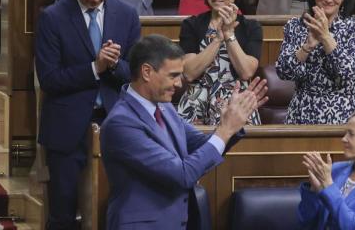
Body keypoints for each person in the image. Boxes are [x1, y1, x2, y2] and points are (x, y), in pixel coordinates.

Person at [101, 34, 267, 229]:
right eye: (172, 76)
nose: (179, 84)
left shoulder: (165, 108)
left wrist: (232, 122)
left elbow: (203, 144)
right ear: (147, 72)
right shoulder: (121, 123)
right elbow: (181, 175)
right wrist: (225, 129)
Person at [36, 0, 139, 230]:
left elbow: (136, 75)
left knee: (116, 206)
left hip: (115, 123)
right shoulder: (52, 19)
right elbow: (49, 79)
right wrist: (95, 68)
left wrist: (114, 65)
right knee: (63, 213)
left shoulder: (126, 15)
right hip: (67, 126)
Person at [276, 0, 355, 124]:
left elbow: (347, 74)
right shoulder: (295, 25)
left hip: (343, 114)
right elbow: (284, 71)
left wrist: (326, 37)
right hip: (302, 112)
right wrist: (307, 47)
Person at [176, 0, 262, 126]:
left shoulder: (251, 27)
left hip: (235, 104)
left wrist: (229, 34)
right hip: (195, 103)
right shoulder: (191, 25)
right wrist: (218, 39)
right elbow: (190, 73)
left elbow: (246, 72)